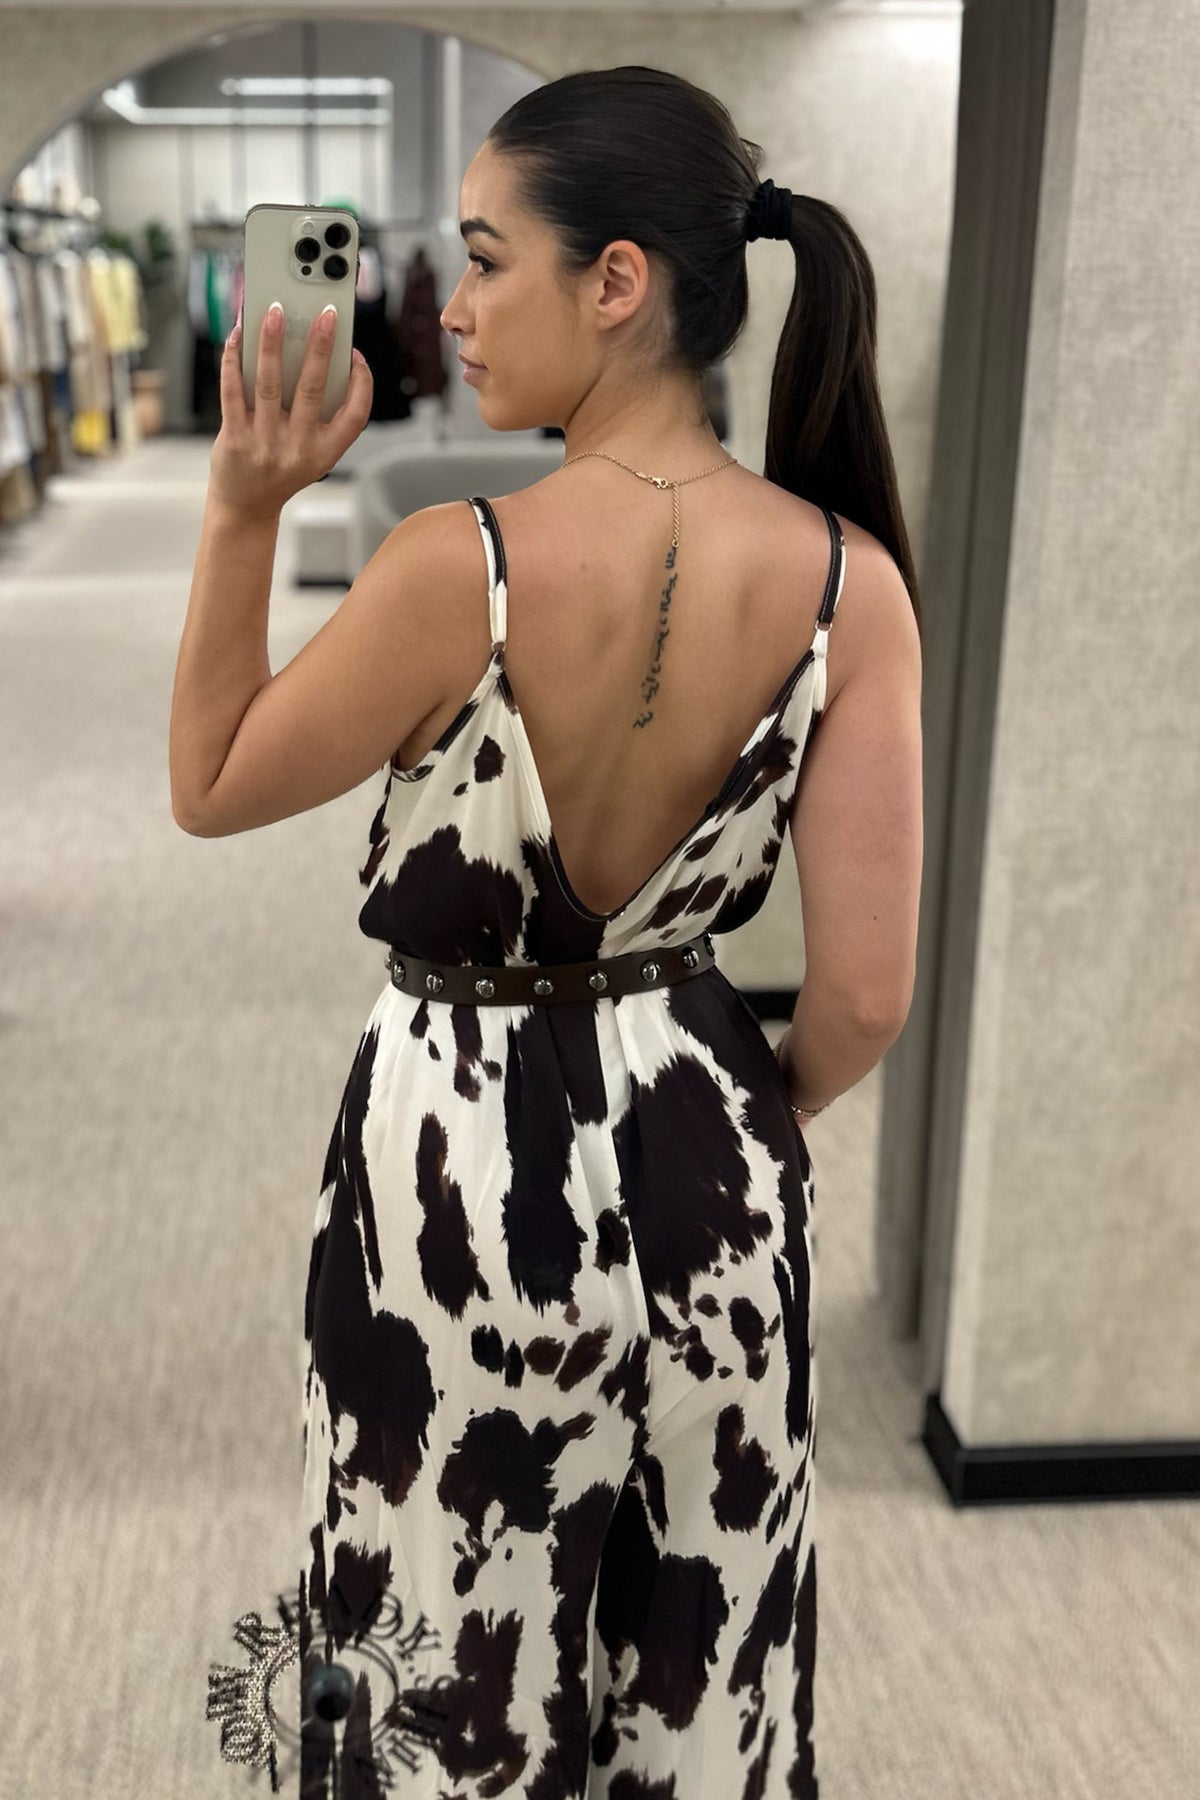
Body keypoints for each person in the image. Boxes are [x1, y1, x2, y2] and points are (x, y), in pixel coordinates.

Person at [284, 63, 924, 1800]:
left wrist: (240, 505)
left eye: (488, 260)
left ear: (618, 281)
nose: (455, 307)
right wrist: (745, 1123)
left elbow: (208, 781)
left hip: (456, 1166)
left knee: (440, 1647)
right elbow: (866, 994)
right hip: (711, 1152)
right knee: (703, 1647)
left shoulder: (454, 564)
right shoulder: (851, 581)